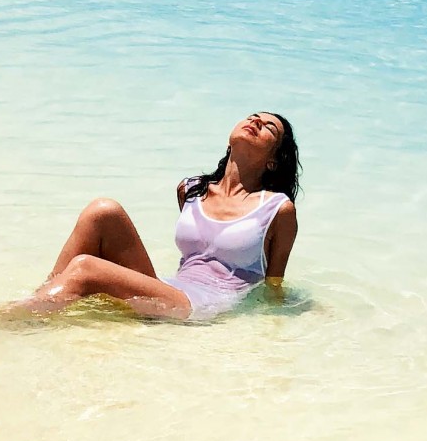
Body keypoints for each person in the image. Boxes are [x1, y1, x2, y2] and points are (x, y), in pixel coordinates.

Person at [24, 112, 299, 321]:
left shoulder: (277, 209)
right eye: (253, 117)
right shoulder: (191, 190)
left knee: (86, 268)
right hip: (169, 288)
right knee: (102, 211)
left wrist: (273, 330)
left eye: (269, 127)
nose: (256, 121)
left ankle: (20, 319)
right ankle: (38, 301)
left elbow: (274, 282)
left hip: (202, 306)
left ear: (273, 160)